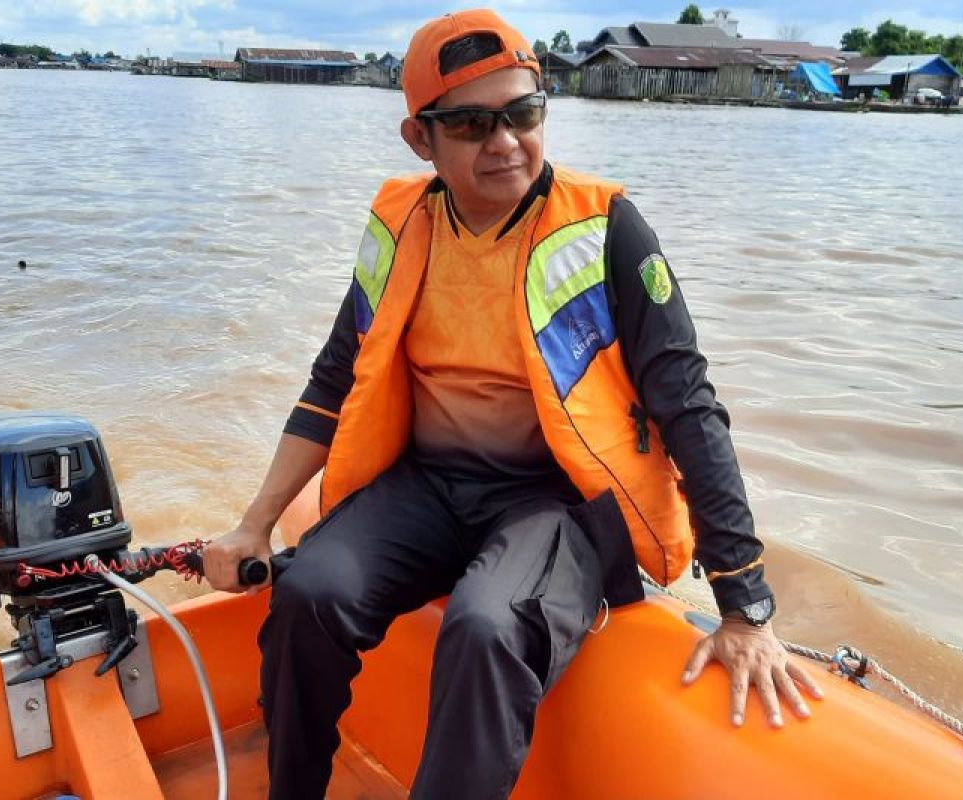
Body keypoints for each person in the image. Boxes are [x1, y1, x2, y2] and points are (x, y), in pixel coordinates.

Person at [203, 9, 822, 799]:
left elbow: (689, 407)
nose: (505, 142)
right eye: (469, 123)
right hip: (427, 487)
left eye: (524, 114)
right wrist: (255, 522)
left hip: (555, 506)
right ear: (419, 139)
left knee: (489, 627)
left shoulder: (607, 231)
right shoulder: (399, 229)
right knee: (309, 594)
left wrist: (746, 605)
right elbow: (335, 380)